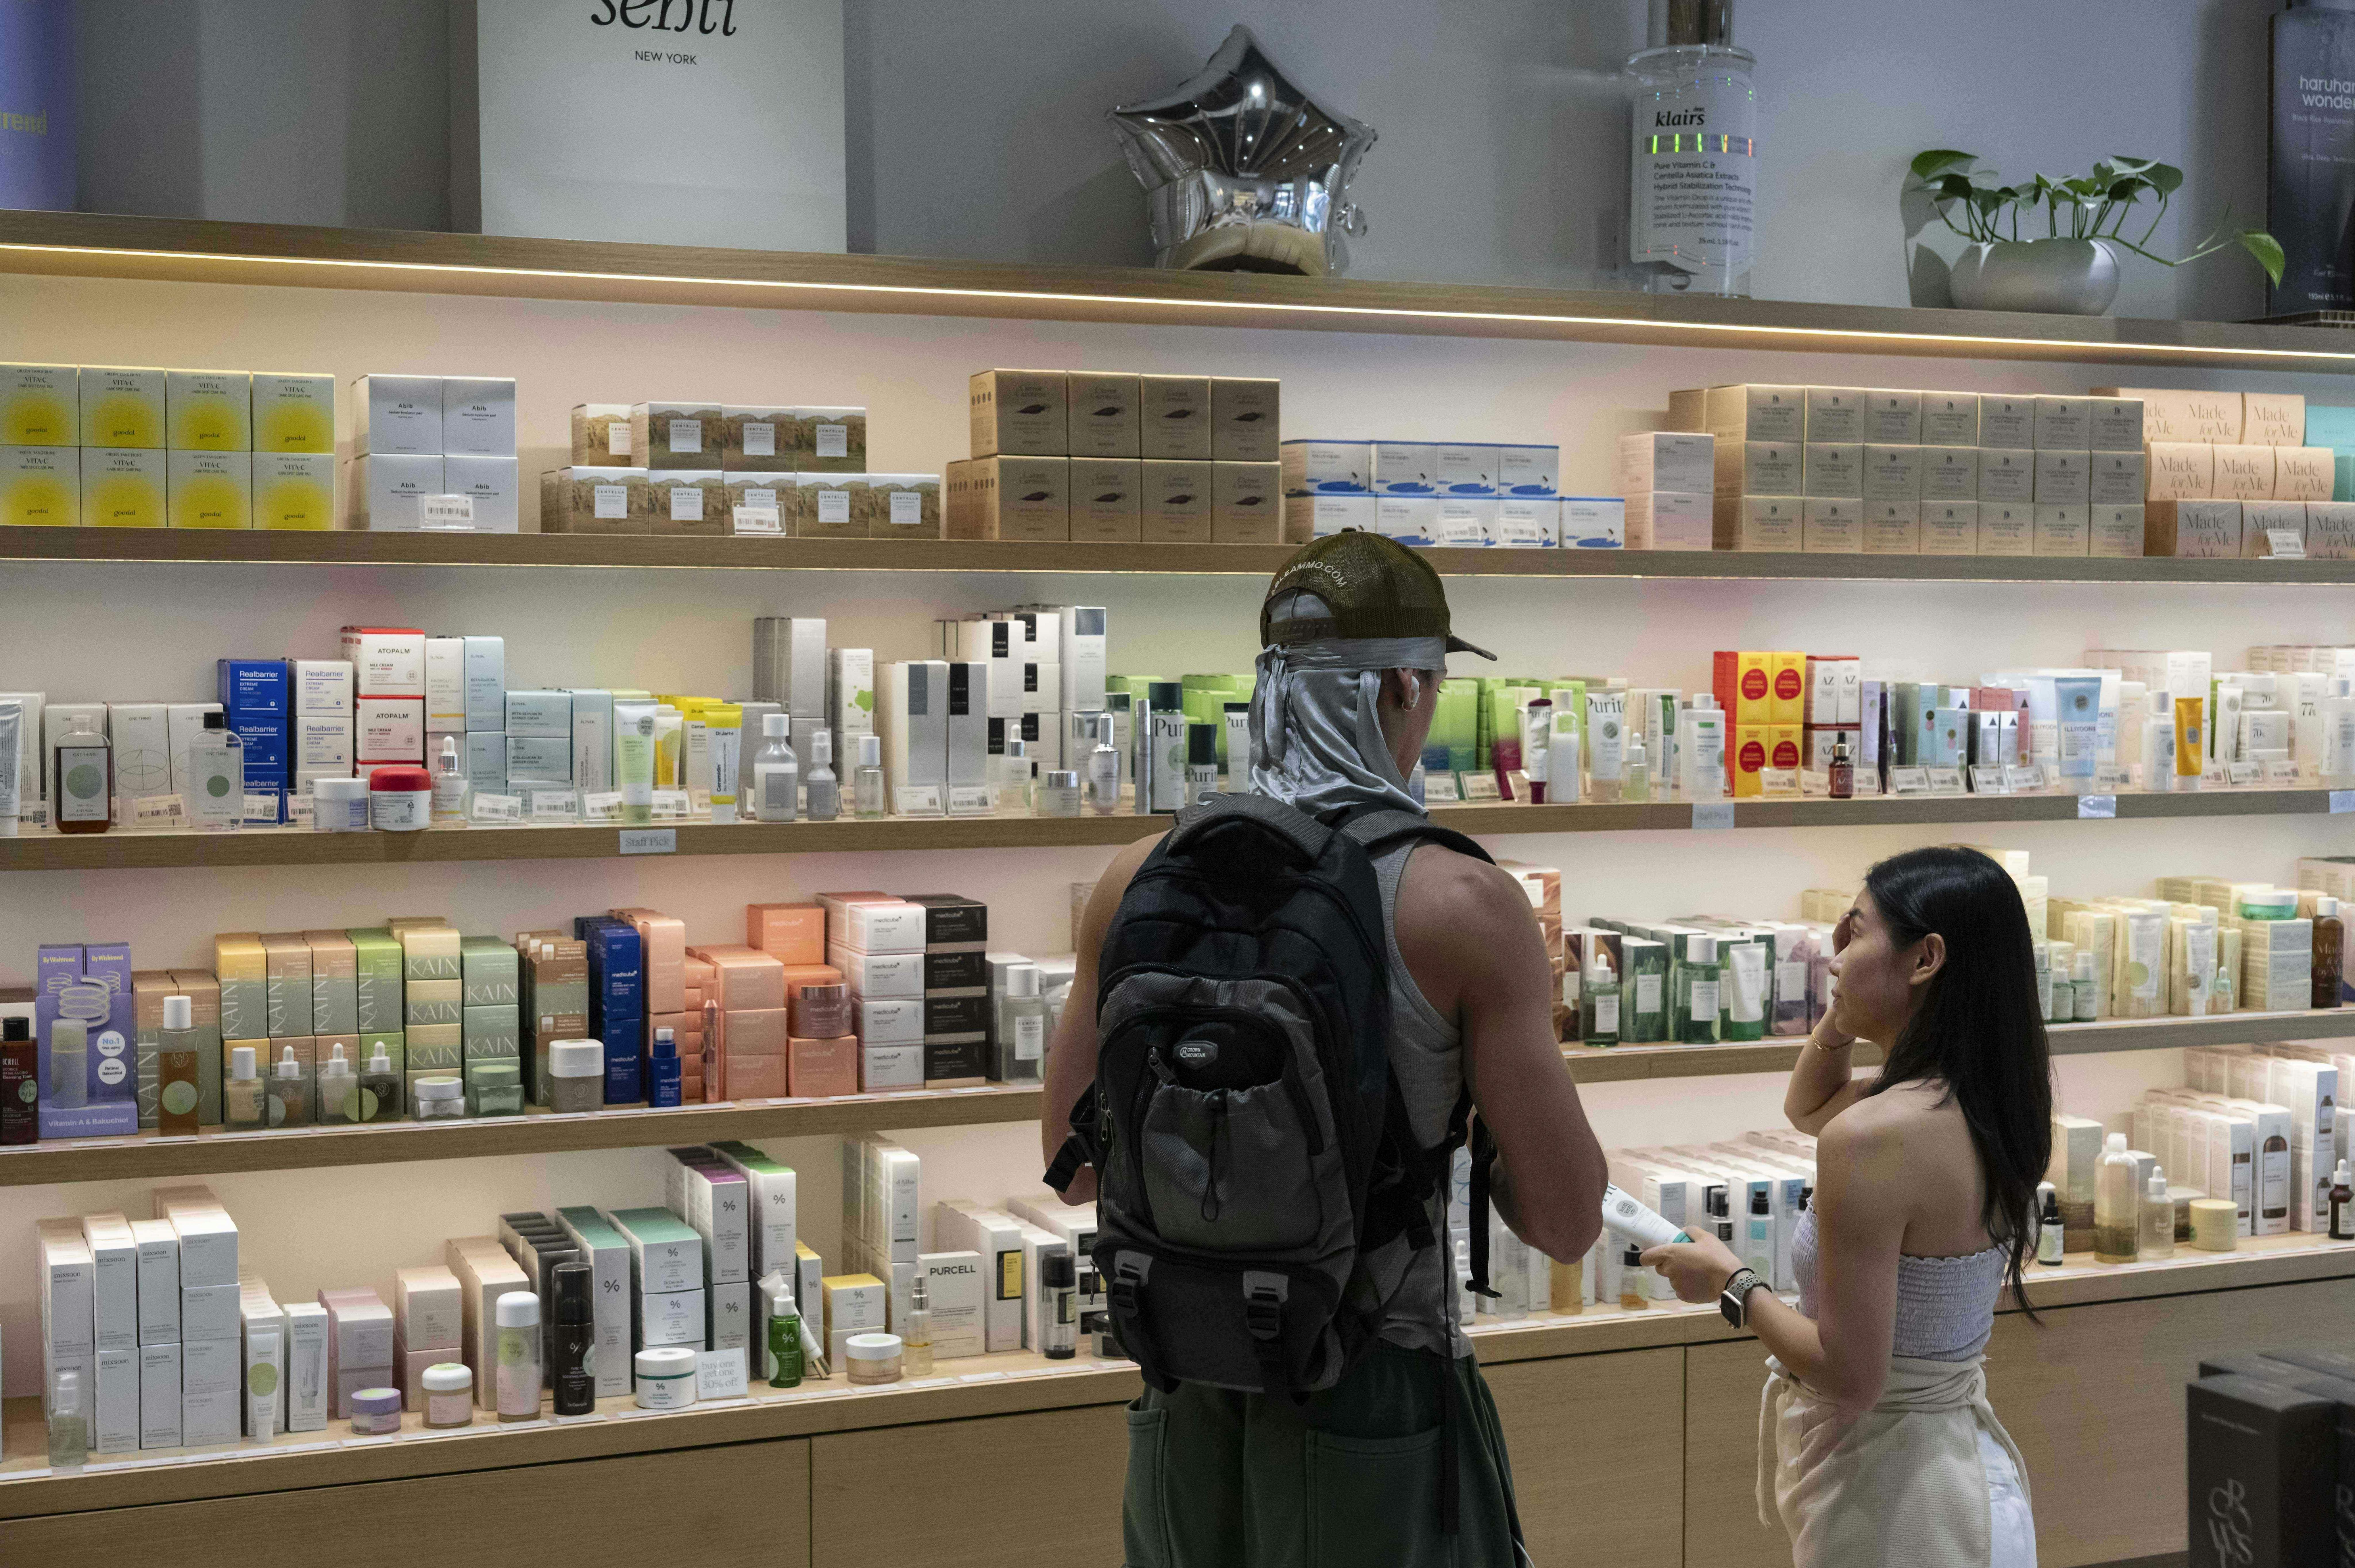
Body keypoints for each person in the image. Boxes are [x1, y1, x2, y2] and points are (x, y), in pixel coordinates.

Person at [1042, 531, 1609, 1567]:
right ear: (1402, 685)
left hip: (1186, 1385)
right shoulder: (1461, 901)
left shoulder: (1135, 877)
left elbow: (1075, 1170)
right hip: (1373, 1389)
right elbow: (1569, 1221)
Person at [1643, 845, 2051, 1568]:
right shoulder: (1985, 1100)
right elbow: (1806, 1106)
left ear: (1925, 959)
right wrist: (1844, 1010)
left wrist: (1729, 1283)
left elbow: (1849, 1374)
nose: (1833, 951)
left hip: (1901, 1507)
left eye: (1855, 932)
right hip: (1960, 1484)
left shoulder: (1875, 1134)